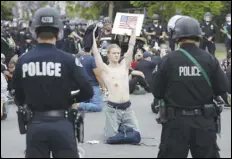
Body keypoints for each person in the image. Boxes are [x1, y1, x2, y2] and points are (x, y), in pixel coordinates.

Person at [12, 7, 93, 158]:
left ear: (35, 31)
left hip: (35, 125)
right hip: (63, 123)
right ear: (58, 32)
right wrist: (69, 99)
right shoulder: (69, 59)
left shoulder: (23, 60)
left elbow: (17, 95)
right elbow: (88, 90)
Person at [152, 15, 228, 158]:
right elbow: (222, 88)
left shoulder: (168, 60)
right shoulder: (210, 59)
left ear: (177, 37)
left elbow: (157, 92)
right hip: (204, 122)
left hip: (175, 122)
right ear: (198, 37)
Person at [92, 24, 141, 144]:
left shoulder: (124, 65)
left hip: (127, 107)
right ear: (108, 54)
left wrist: (133, 32)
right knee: (110, 139)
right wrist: (93, 36)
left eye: (118, 53)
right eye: (113, 53)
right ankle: (120, 131)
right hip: (113, 109)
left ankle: (121, 130)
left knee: (137, 136)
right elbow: (96, 54)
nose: (116, 55)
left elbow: (131, 47)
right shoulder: (105, 69)